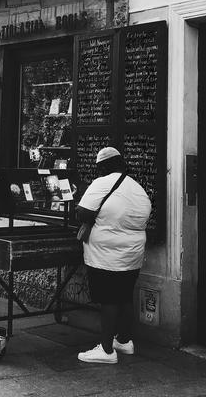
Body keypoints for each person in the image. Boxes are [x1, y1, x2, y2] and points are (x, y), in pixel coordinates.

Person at [75, 147, 151, 365]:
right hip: (133, 253)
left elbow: (82, 212)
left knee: (108, 299)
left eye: (99, 168)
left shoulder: (102, 183)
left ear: (104, 167)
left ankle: (107, 350)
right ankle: (124, 341)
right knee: (124, 296)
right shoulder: (137, 188)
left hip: (106, 255)